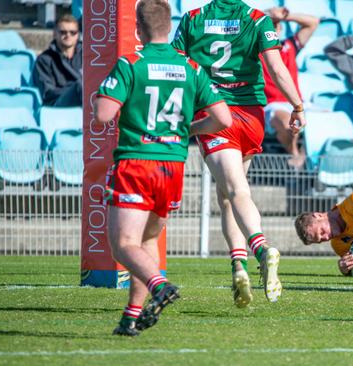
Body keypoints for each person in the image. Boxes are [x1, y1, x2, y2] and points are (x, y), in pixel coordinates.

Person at [95, 0, 232, 336]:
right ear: (170, 27)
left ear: (138, 29)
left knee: (123, 244)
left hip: (137, 160)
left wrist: (99, 98)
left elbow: (103, 115)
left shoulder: (132, 64)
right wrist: (189, 130)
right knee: (149, 240)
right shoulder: (191, 67)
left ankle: (159, 285)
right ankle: (131, 317)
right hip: (172, 166)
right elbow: (223, 119)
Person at [171, 0, 306, 308]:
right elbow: (276, 67)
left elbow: (178, 69)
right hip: (251, 118)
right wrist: (297, 106)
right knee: (227, 194)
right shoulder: (257, 19)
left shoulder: (192, 18)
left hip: (216, 115)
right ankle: (238, 268)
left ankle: (261, 250)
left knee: (235, 190)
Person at [260, 7, 319, 167]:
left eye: (276, 25)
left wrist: (285, 16)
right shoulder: (254, 49)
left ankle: (312, 157)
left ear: (280, 29)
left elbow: (313, 22)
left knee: (331, 119)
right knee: (288, 123)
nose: (273, 28)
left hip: (297, 101)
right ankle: (296, 155)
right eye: (269, 24)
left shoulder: (289, 45)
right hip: (273, 104)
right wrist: (268, 15)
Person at [32, 13, 82, 107]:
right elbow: (47, 92)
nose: (68, 35)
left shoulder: (87, 55)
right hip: (57, 104)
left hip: (85, 100)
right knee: (80, 86)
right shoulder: (44, 59)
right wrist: (73, 90)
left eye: (73, 32)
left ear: (77, 35)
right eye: (63, 32)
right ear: (55, 34)